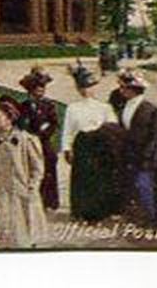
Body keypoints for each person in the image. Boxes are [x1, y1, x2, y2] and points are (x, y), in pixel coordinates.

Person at [116, 69, 157, 225]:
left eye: (123, 87)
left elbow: (154, 137)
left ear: (133, 89)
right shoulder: (124, 107)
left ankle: (152, 218)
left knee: (147, 188)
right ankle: (138, 216)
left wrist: (145, 156)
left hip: (147, 157)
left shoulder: (151, 110)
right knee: (134, 187)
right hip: (130, 155)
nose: (121, 90)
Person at [61, 61, 123, 221]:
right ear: (78, 89)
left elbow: (112, 126)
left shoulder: (104, 107)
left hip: (100, 144)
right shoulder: (73, 108)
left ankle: (101, 209)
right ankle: (83, 210)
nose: (86, 90)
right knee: (83, 177)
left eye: (89, 87)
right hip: (82, 143)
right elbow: (68, 130)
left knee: (101, 177)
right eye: (83, 87)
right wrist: (67, 148)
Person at [0, 94, 47, 248]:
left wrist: (33, 184)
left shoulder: (25, 139)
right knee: (3, 226)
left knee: (23, 228)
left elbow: (37, 166)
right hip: (0, 190)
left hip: (21, 189)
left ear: (9, 118)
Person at [18, 66, 60, 211]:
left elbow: (54, 123)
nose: (41, 91)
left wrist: (44, 132)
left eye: (42, 88)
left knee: (49, 164)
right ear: (31, 91)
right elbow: (21, 125)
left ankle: (50, 201)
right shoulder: (24, 106)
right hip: (30, 142)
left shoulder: (48, 105)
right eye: (37, 88)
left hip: (44, 141)